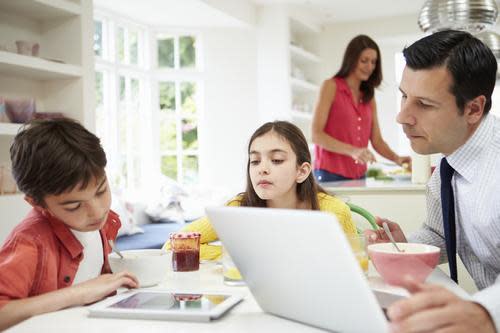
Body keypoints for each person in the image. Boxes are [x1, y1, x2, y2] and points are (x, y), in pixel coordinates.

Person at [366, 30, 499, 333]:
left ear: (473, 109)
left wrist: (485, 312)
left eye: (424, 104)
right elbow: (442, 232)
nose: (402, 117)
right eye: (404, 96)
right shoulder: (449, 160)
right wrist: (405, 247)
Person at [0, 119, 139, 330]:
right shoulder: (29, 242)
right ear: (37, 203)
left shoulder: (102, 223)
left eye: (101, 191)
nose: (97, 210)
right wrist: (78, 293)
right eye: (74, 206)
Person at [164, 121, 358, 260]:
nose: (262, 169)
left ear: (302, 171)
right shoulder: (238, 209)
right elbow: (173, 246)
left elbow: (356, 266)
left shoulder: (334, 211)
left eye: (276, 160)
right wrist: (247, 258)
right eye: (255, 161)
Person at [312, 35, 411, 182]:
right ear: (351, 59)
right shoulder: (330, 86)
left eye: (373, 62)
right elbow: (316, 135)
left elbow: (377, 141)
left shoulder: (368, 97)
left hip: (359, 175)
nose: (370, 67)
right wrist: (353, 151)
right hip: (329, 174)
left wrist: (397, 158)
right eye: (364, 61)